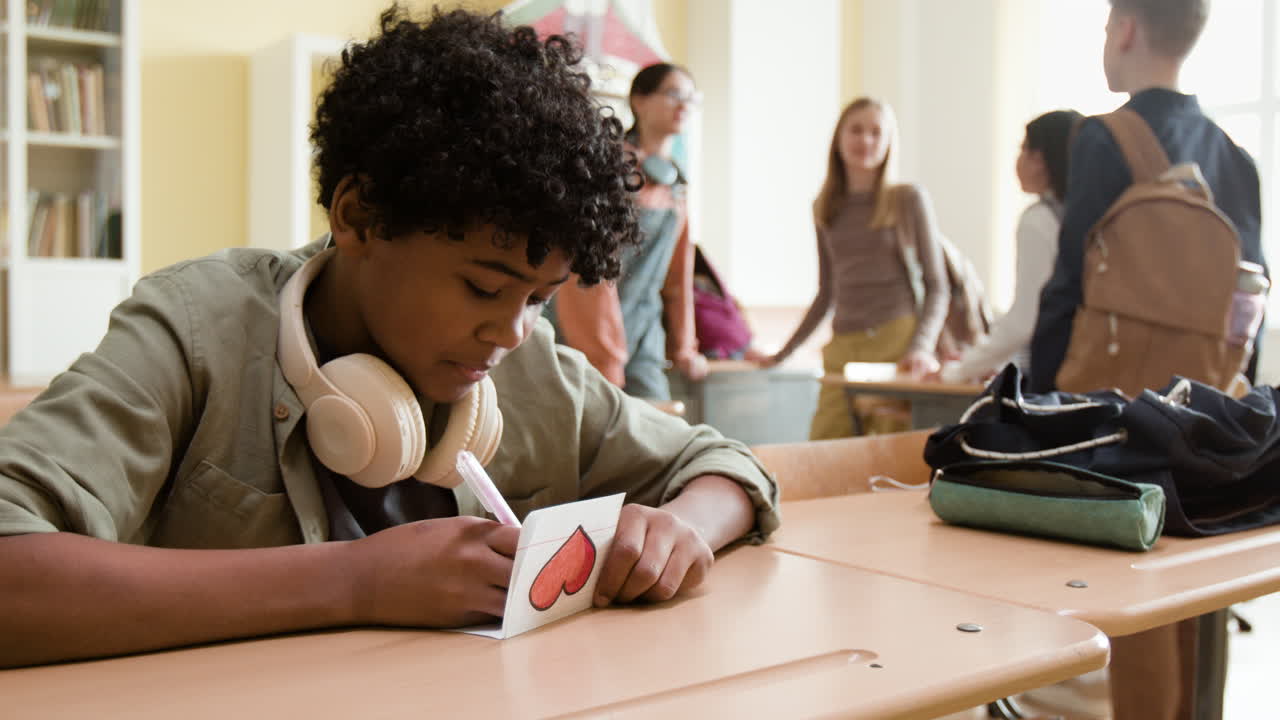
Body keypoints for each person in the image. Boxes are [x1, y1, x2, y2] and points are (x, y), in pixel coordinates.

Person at [0, 6, 779, 669]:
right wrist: (352, 581)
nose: (509, 332)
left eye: (539, 299)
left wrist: (679, 529)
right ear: (358, 217)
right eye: (482, 285)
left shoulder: (527, 362)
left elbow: (724, 465)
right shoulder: (195, 328)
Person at [1028, 1, 1264, 718]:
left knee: (1136, 595)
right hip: (1211, 413)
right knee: (1198, 595)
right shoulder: (1236, 156)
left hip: (1117, 412)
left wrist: (1034, 404)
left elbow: (1071, 284)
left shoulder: (1104, 138)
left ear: (1127, 28)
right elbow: (1245, 304)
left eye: (1105, 26)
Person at [758, 97, 949, 439]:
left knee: (888, 457)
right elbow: (827, 292)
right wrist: (781, 355)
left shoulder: (908, 199)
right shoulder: (825, 206)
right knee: (824, 450)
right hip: (843, 347)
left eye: (877, 132)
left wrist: (921, 346)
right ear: (839, 138)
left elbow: (938, 285)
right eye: (857, 130)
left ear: (890, 142)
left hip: (896, 343)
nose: (866, 141)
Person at [547, 62, 709, 401]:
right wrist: (605, 354)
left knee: (657, 431)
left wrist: (684, 348)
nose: (684, 105)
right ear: (639, 100)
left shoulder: (677, 186)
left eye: (691, 98)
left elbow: (678, 279)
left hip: (643, 331)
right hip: (587, 331)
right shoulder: (608, 170)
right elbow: (587, 273)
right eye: (673, 94)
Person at [939, 109, 1082, 384]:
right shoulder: (1083, 215)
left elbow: (1024, 321)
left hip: (1054, 373)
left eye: (1022, 149)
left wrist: (957, 372)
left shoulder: (1039, 219)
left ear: (1039, 159)